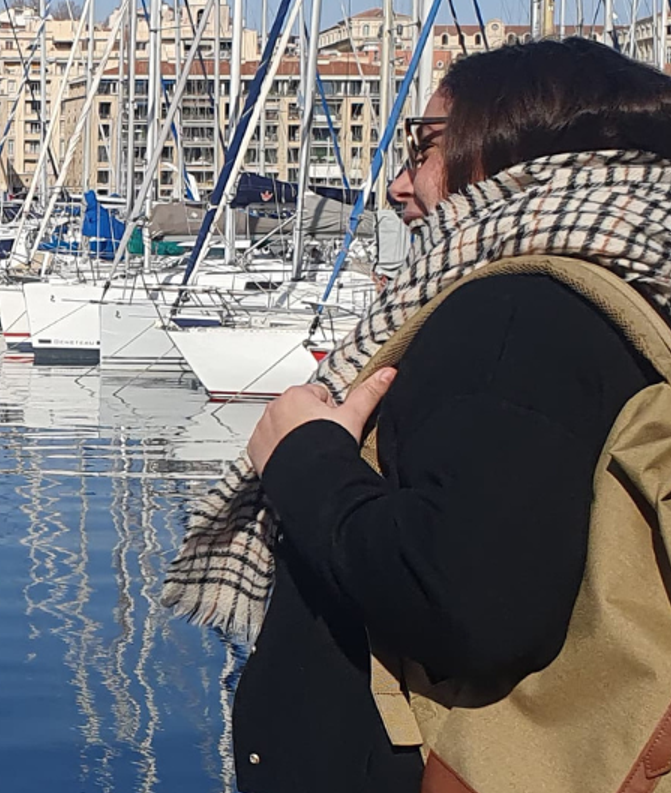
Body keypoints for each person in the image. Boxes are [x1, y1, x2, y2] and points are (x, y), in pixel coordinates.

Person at [164, 38, 671, 792]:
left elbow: (467, 603)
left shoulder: (517, 310)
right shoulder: (613, 296)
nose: (399, 186)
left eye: (426, 145)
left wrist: (303, 456)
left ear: (516, 145)